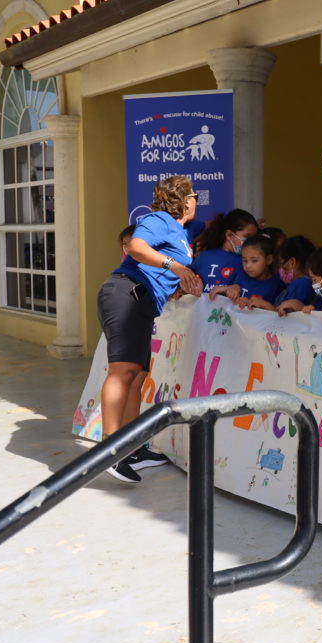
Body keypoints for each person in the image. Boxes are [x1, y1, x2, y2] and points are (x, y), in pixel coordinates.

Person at [97, 176, 203, 483]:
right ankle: (109, 448)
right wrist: (177, 267)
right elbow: (136, 247)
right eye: (194, 195)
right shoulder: (160, 219)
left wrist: (181, 286)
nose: (197, 201)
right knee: (123, 371)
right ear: (186, 200)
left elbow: (160, 271)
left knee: (138, 376)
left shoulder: (180, 231)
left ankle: (131, 447)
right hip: (127, 294)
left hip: (143, 301)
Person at [190, 208, 258, 294]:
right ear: (229, 235)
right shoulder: (204, 256)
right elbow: (187, 275)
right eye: (247, 237)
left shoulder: (248, 262)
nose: (251, 242)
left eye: (254, 238)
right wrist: (195, 279)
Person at [210, 235, 282, 310]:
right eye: (244, 260)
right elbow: (233, 290)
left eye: (254, 260)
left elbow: (276, 314)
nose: (248, 266)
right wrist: (228, 289)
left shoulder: (277, 284)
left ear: (268, 260)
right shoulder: (241, 275)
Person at [273, 235, 317, 314]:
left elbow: (285, 315)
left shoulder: (301, 284)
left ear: (292, 262)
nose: (280, 269)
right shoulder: (300, 283)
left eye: (281, 264)